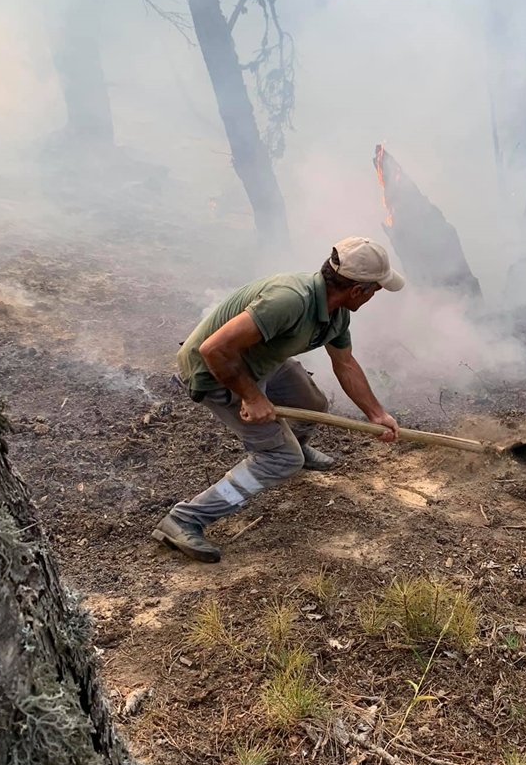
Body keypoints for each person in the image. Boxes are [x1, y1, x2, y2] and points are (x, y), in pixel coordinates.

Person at [153, 237, 404, 563]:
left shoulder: (336, 313)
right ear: (358, 290)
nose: (374, 297)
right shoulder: (288, 301)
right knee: (280, 459)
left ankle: (295, 446)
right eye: (375, 290)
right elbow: (213, 350)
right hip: (217, 372)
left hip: (260, 362)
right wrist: (252, 396)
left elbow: (345, 363)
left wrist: (376, 413)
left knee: (312, 405)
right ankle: (186, 518)